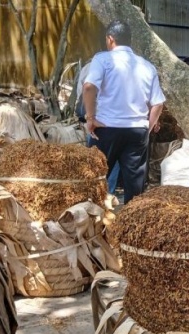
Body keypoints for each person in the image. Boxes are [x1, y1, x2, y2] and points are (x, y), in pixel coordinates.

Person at [83, 20, 165, 204]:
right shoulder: (147, 66)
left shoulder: (102, 59)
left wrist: (90, 118)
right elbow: (158, 104)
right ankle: (131, 227)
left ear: (110, 39)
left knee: (93, 180)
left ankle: (93, 222)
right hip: (137, 132)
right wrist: (147, 127)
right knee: (135, 188)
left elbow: (89, 87)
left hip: (106, 129)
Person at [76, 58, 121, 196]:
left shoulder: (88, 68)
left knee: (96, 158)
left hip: (97, 119)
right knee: (113, 159)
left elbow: (82, 91)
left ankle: (95, 195)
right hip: (116, 119)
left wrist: (89, 117)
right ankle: (108, 193)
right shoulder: (119, 68)